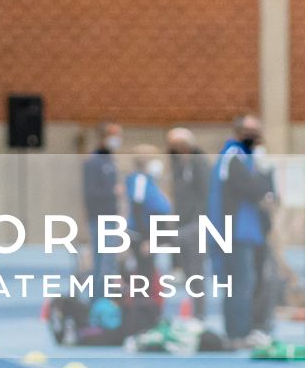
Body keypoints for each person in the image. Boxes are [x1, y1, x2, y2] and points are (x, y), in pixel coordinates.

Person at [209, 114, 278, 347]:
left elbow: (266, 191)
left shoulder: (248, 158)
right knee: (239, 282)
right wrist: (263, 180)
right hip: (234, 231)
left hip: (251, 231)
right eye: (250, 131)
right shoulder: (232, 155)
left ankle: (248, 327)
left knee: (251, 282)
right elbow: (247, 186)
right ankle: (237, 332)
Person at [165, 128, 211, 317]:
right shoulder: (178, 167)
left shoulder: (198, 163)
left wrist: (199, 221)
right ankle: (193, 311)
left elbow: (206, 194)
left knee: (197, 272)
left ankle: (199, 315)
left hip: (196, 225)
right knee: (188, 273)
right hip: (181, 225)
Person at [121, 145, 172, 283]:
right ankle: (141, 303)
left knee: (149, 273)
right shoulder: (140, 180)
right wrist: (146, 239)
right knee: (144, 274)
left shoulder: (150, 181)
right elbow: (138, 208)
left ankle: (147, 302)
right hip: (142, 235)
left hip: (152, 233)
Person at [80, 122, 122, 275]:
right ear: (104, 137)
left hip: (111, 217)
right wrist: (112, 192)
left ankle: (106, 296)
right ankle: (99, 297)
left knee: (109, 262)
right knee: (102, 262)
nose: (118, 139)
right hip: (99, 218)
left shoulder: (109, 160)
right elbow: (90, 192)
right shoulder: (94, 161)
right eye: (115, 136)